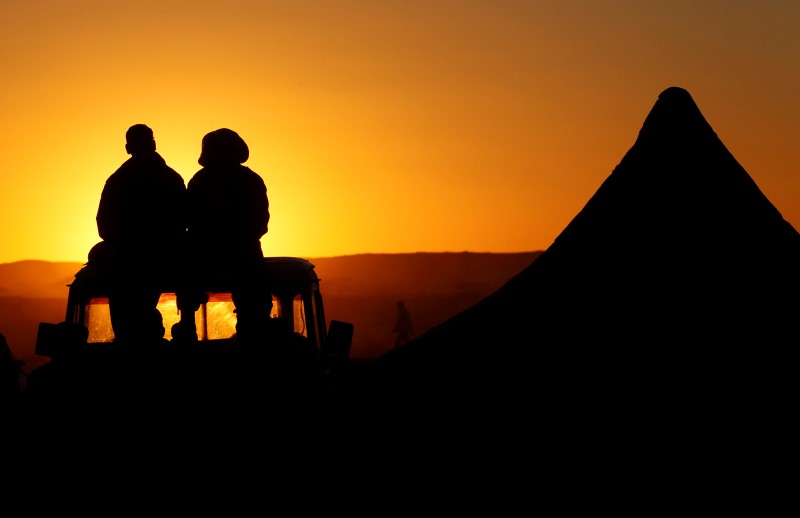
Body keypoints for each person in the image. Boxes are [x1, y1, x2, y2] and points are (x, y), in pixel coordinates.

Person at [173, 128, 272, 344]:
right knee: (254, 311)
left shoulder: (200, 181)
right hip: (239, 256)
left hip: (214, 255)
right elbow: (260, 223)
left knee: (253, 309)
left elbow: (187, 219)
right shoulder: (249, 180)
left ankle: (187, 333)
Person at [95, 124, 187, 345]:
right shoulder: (172, 179)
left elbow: (103, 225)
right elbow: (185, 219)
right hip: (164, 260)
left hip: (126, 265)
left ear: (128, 148)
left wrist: (124, 245)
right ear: (153, 144)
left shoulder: (117, 181)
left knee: (126, 331)